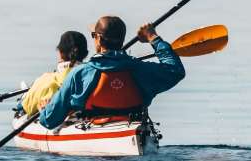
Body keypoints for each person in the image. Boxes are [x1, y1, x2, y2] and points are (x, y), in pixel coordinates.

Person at [38, 16, 185, 129]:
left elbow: (49, 121)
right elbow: (175, 70)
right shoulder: (140, 69)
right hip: (134, 128)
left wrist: (44, 110)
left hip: (94, 132)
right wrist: (153, 38)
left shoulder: (79, 74)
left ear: (99, 39)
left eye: (93, 35)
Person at [19, 30, 88, 116]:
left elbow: (28, 107)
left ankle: (24, 97)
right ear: (85, 54)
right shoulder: (92, 74)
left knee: (22, 104)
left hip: (39, 105)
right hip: (83, 112)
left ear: (60, 52)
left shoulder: (46, 79)